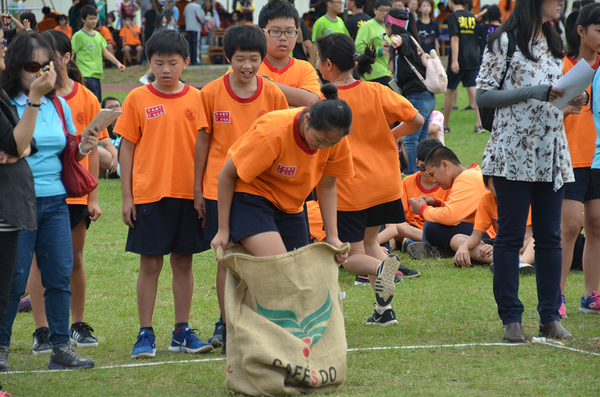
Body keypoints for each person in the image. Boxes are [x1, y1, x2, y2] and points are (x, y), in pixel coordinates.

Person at [475, 0, 579, 342]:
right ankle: (511, 319)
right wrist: (533, 93)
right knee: (510, 235)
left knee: (550, 236)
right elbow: (484, 96)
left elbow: (553, 91)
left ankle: (550, 317)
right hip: (513, 153)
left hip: (550, 151)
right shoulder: (503, 40)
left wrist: (571, 100)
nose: (561, 3)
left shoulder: (555, 38)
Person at [0, 32, 98, 371]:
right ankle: (2, 350)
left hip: (57, 200)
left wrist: (84, 145)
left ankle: (60, 348)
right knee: (12, 280)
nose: (41, 72)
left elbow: (68, 145)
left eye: (46, 65)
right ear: (16, 67)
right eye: (32, 66)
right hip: (17, 201)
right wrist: (34, 100)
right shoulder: (7, 103)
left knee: (59, 274)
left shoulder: (58, 103)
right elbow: (13, 146)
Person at [116, 29, 213, 359]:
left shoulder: (199, 98)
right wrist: (127, 197)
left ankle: (181, 331)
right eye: (159, 63)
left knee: (183, 264)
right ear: (149, 63)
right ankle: (145, 332)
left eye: (173, 63)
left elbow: (206, 148)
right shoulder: (137, 99)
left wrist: (201, 192)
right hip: (149, 195)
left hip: (188, 194)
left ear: (186, 62)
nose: (167, 70)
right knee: (150, 264)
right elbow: (126, 149)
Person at [316, 33, 424, 325]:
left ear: (327, 64)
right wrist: (391, 136)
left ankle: (382, 270)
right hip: (386, 184)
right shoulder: (376, 91)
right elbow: (417, 119)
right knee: (372, 242)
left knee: (350, 256)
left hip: (352, 188)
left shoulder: (324, 98)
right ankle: (383, 311)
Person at [194, 24, 288, 353]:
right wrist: (197, 190)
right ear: (228, 58)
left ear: (263, 59)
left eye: (253, 59)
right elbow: (203, 142)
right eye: (239, 59)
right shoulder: (210, 93)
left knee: (258, 258)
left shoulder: (274, 93)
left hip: (261, 188)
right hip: (219, 188)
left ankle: (255, 322)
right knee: (228, 258)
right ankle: (225, 322)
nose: (247, 66)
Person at [211, 84, 354, 291]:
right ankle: (228, 323)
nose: (321, 147)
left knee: (298, 273)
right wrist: (222, 230)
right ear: (306, 120)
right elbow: (227, 174)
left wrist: (332, 235)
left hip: (292, 205)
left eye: (328, 144)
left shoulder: (334, 139)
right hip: (251, 195)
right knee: (280, 266)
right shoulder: (274, 131)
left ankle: (282, 323)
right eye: (319, 139)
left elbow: (328, 185)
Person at [25, 30, 112, 352]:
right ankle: (41, 329)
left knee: (73, 261)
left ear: (66, 58)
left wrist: (92, 197)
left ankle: (76, 324)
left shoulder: (85, 97)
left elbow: (88, 150)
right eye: (38, 62)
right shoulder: (29, 98)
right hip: (40, 192)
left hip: (73, 195)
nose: (45, 67)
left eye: (52, 59)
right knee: (37, 262)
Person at [0, 23, 57, 379]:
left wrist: (20, 147)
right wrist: (35, 100)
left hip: (13, 207)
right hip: (6, 207)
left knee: (10, 286)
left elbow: (23, 143)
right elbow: (16, 143)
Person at [560, 4, 600, 317]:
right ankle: (555, 296)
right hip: (569, 158)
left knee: (596, 224)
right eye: (598, 30)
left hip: (596, 158)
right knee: (570, 226)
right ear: (581, 31)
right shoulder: (561, 65)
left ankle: (590, 294)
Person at [406, 146, 487, 259]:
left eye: (433, 174)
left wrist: (422, 209)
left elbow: (450, 217)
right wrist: (437, 203)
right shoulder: (467, 175)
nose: (434, 180)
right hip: (482, 230)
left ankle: (438, 250)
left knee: (432, 226)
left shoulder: (466, 179)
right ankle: (442, 250)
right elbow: (462, 210)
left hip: (488, 233)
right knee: (433, 225)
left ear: (445, 165)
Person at [385, 8, 437, 175]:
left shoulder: (405, 39)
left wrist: (394, 39)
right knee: (421, 140)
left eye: (387, 25)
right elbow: (395, 73)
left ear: (392, 25)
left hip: (418, 97)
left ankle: (415, 174)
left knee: (410, 138)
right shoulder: (412, 41)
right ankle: (425, 173)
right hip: (426, 97)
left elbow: (398, 39)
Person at [452, 174, 535, 273]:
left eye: (504, 182)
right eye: (494, 184)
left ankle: (520, 261)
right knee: (456, 240)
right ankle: (509, 260)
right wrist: (463, 247)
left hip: (522, 243)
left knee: (536, 239)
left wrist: (498, 247)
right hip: (499, 241)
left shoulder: (521, 198)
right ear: (486, 186)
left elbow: (526, 236)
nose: (501, 187)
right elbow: (476, 236)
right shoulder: (486, 199)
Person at [379, 139, 449, 249]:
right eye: (422, 167)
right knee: (396, 226)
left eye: (430, 169)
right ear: (416, 162)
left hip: (435, 226)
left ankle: (418, 243)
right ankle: (429, 243)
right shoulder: (408, 181)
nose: (426, 172)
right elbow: (398, 217)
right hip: (410, 229)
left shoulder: (447, 184)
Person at [255, 1, 320, 107]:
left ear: (297, 34)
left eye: (289, 32)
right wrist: (294, 102)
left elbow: (311, 101)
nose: (283, 38)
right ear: (261, 33)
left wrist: (262, 83)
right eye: (275, 31)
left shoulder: (304, 68)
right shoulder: (249, 66)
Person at [442, 0, 483, 134]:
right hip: (472, 58)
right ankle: (479, 124)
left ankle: (445, 126)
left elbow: (455, 37)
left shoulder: (453, 16)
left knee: (450, 90)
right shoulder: (472, 16)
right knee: (473, 89)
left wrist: (454, 60)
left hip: (459, 59)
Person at [72, 5, 126, 103]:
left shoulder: (98, 35)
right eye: (91, 18)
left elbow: (105, 52)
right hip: (85, 74)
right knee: (92, 103)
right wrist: (69, 70)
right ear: (83, 19)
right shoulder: (78, 36)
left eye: (95, 18)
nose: (94, 21)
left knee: (97, 102)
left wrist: (118, 63)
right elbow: (72, 53)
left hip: (96, 74)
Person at [355, 0, 393, 85]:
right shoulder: (368, 26)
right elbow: (359, 47)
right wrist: (380, 51)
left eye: (388, 11)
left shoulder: (389, 26)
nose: (385, 13)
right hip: (374, 72)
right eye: (382, 10)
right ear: (375, 10)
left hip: (388, 70)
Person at [310, 0, 349, 65]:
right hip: (325, 64)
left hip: (339, 64)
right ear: (329, 4)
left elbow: (346, 40)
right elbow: (314, 45)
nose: (341, 5)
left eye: (341, 2)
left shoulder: (340, 21)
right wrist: (312, 66)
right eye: (338, 2)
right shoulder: (320, 22)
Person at [183, 0, 205, 65]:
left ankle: (190, 59)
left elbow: (184, 16)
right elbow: (201, 18)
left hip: (188, 27)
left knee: (189, 44)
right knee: (196, 44)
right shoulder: (197, 6)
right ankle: (196, 60)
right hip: (196, 27)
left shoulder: (186, 6)